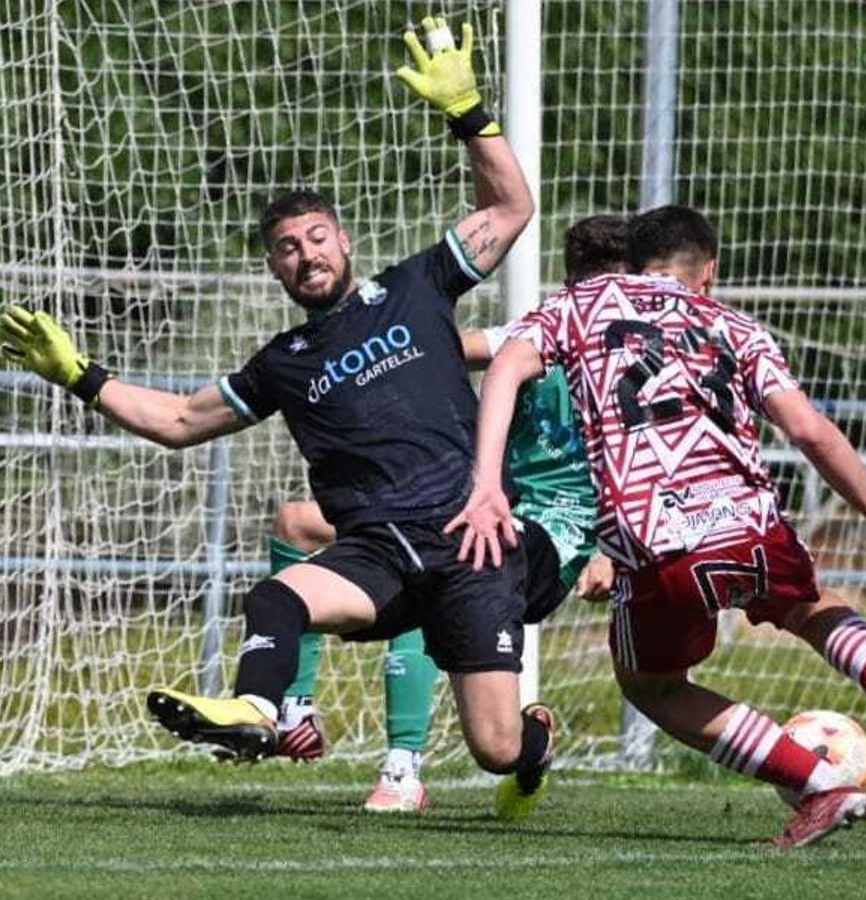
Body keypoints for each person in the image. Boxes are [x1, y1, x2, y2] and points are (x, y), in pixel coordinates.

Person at [0, 16, 556, 819]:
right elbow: (180, 421)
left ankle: (538, 742)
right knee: (279, 598)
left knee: (496, 749)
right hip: (379, 557)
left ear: (345, 240)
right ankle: (259, 713)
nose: (307, 254)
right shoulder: (283, 362)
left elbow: (509, 207)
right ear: (274, 267)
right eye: (289, 247)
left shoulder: (416, 286)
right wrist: (81, 375)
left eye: (317, 237)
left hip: (470, 540)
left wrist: (468, 111)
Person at [448, 204, 866, 847]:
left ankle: (818, 783)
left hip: (657, 540)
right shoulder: (735, 324)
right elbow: (808, 429)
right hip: (752, 522)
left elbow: (504, 365)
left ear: (636, 258)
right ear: (709, 271)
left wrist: (485, 488)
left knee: (654, 687)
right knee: (813, 609)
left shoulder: (585, 302)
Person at [268, 215, 625, 814]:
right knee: (304, 522)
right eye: (583, 289)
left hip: (555, 533)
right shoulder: (535, 333)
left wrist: (607, 549)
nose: (597, 303)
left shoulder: (644, 357)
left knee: (434, 547)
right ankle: (294, 708)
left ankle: (404, 767)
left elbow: (641, 466)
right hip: (485, 505)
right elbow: (441, 346)